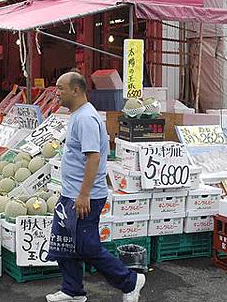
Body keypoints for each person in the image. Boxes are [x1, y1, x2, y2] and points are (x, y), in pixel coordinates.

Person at [45, 72, 145, 302]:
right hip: (70, 194)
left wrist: (83, 195)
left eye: (60, 88)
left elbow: (93, 158)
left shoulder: (87, 119)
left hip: (84, 197)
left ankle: (130, 281)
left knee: (87, 247)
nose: (56, 92)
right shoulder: (77, 115)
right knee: (64, 244)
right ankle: (72, 291)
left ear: (76, 90)